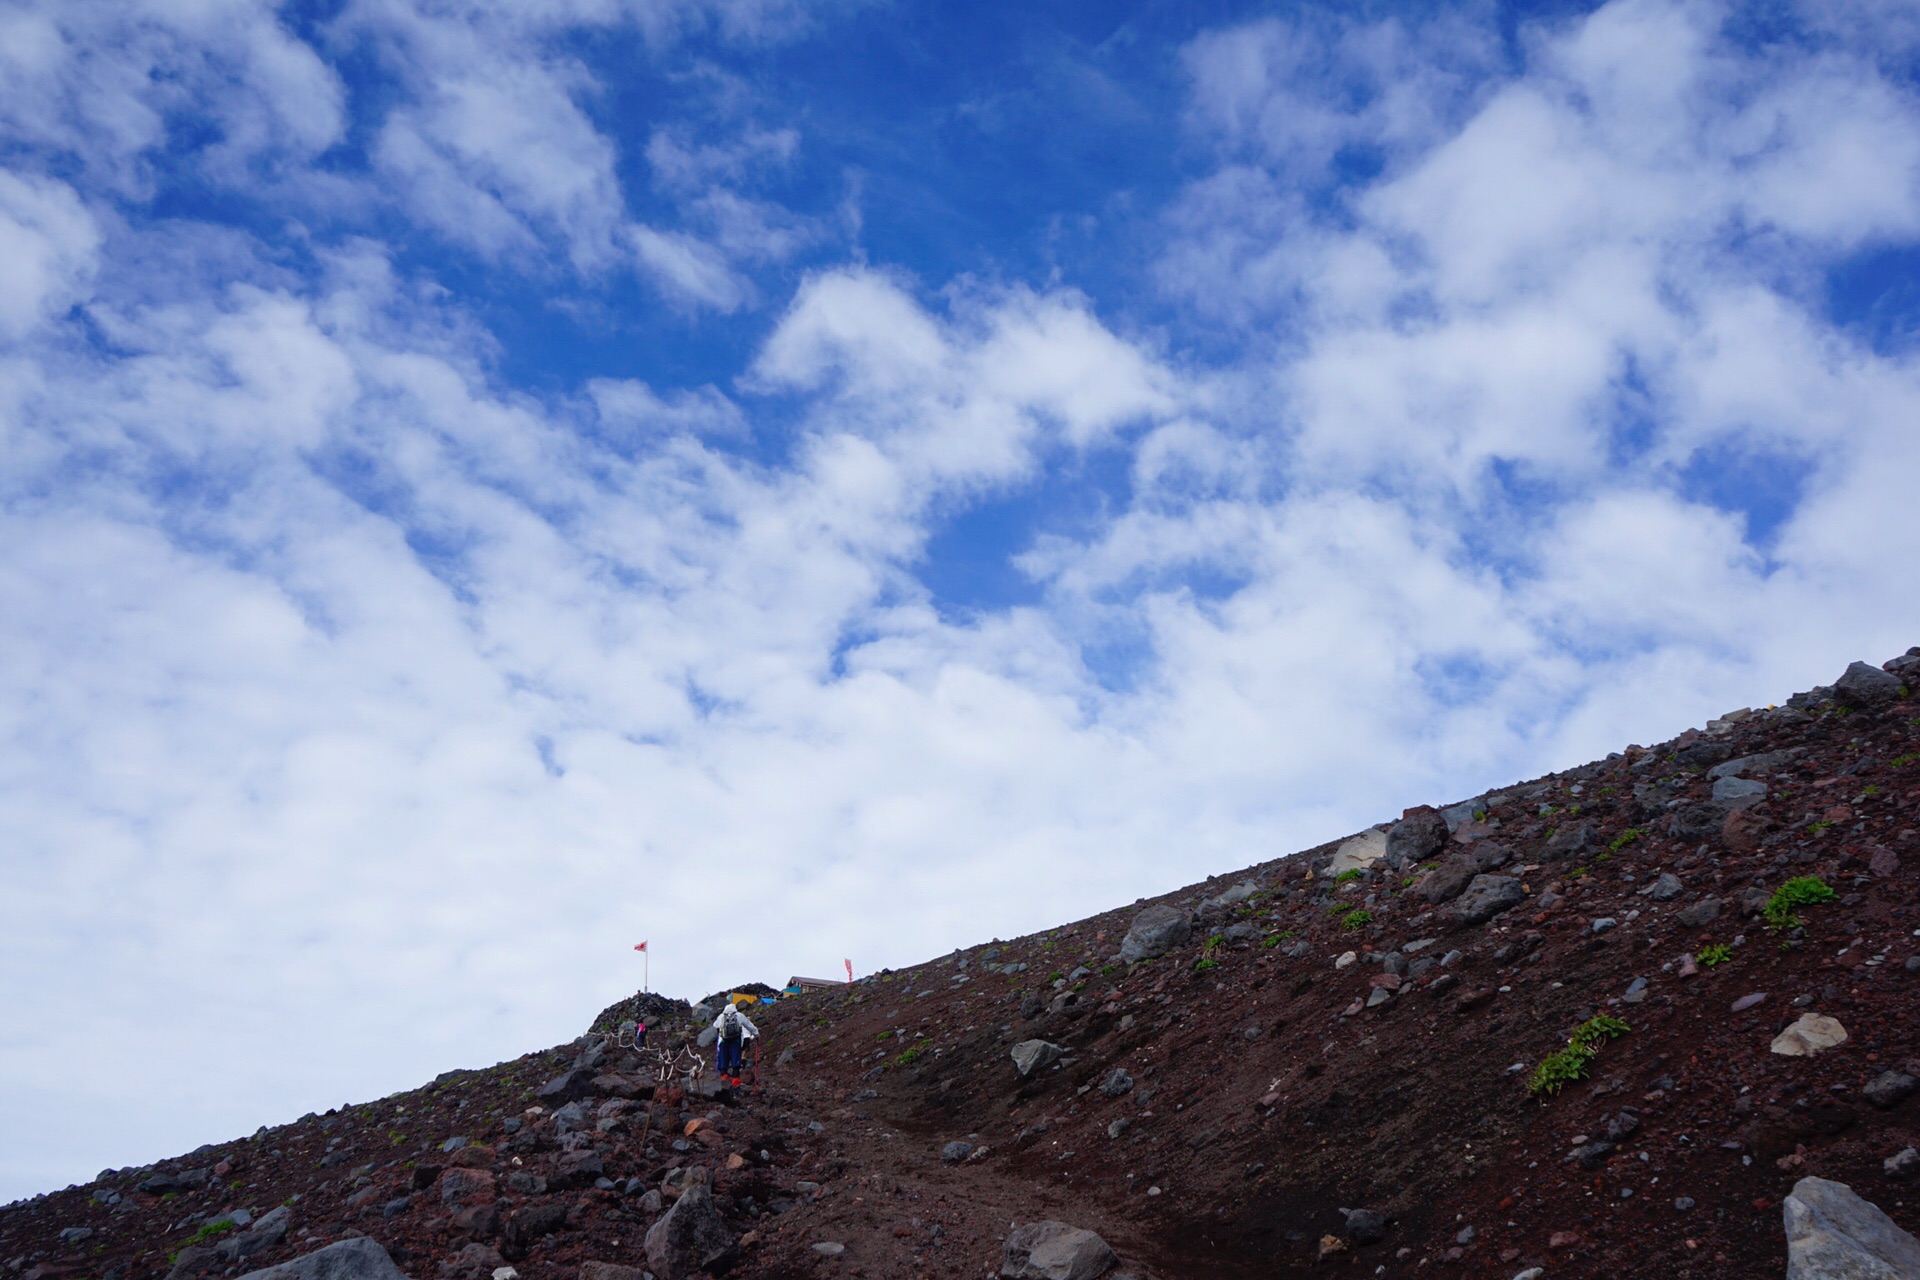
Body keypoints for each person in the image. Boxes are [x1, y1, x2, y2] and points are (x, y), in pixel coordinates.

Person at [713, 1002, 757, 1086]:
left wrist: (721, 1035)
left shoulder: (721, 1017)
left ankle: (724, 1080)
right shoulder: (739, 1015)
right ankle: (735, 1081)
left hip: (723, 1042)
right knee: (736, 1061)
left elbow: (715, 1026)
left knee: (723, 1060)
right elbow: (749, 1025)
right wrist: (757, 1034)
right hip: (736, 1041)